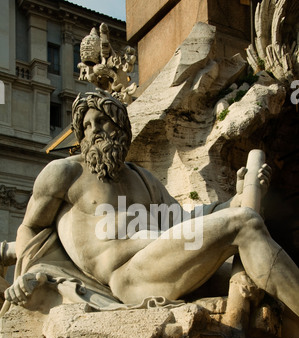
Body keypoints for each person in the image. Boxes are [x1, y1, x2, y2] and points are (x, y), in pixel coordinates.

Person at [4, 90, 299, 317]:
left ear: (120, 127)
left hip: (163, 262)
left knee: (266, 293)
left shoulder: (143, 178)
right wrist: (28, 275)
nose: (94, 129)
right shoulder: (65, 172)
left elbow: (184, 221)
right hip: (127, 278)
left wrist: (235, 199)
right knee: (245, 223)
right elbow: (31, 229)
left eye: (102, 120)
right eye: (86, 125)